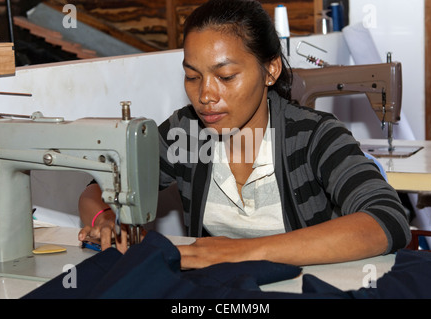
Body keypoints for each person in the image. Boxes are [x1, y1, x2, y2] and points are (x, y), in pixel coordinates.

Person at [78, 0, 411, 269]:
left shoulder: (314, 136)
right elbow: (99, 188)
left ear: (270, 70)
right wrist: (104, 216)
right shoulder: (187, 133)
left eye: (225, 76)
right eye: (193, 77)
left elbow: (387, 220)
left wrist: (240, 252)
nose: (205, 95)